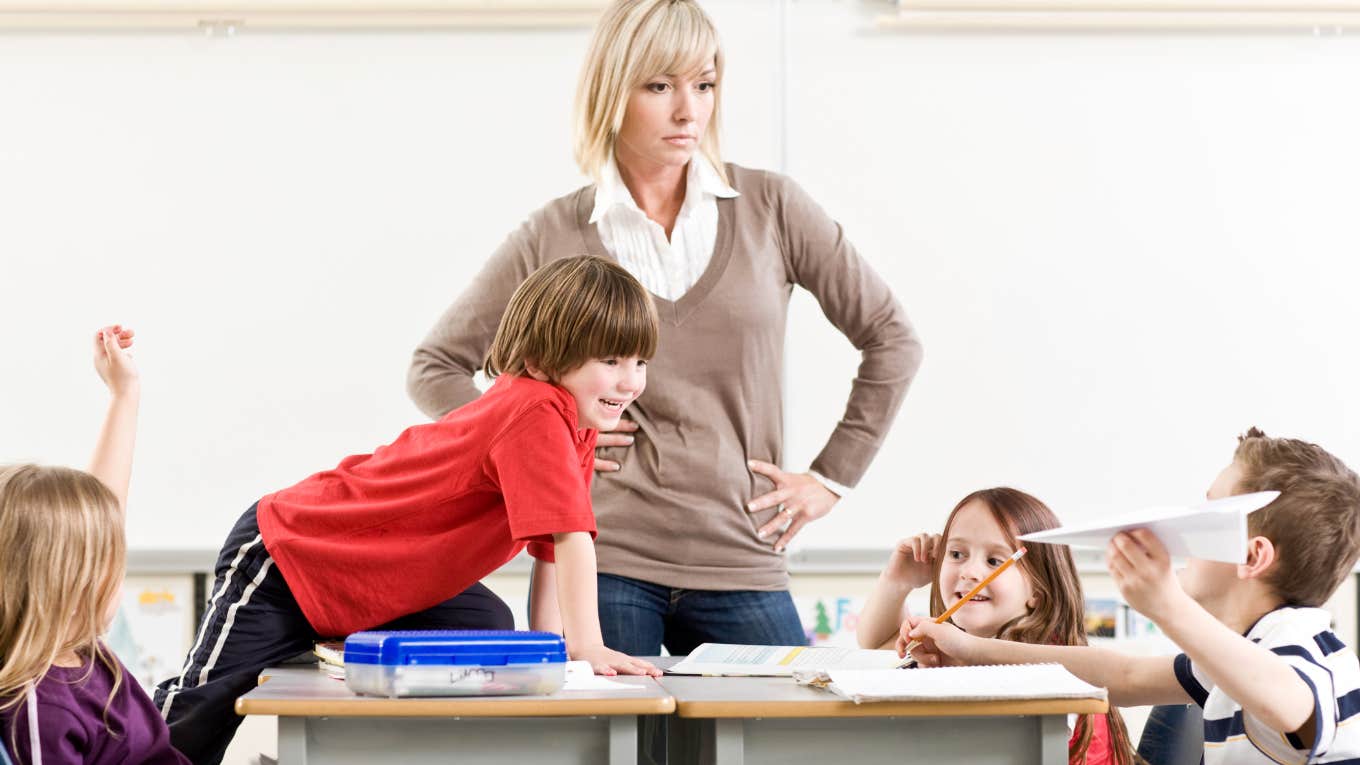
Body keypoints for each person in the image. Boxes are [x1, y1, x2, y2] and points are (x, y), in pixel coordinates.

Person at [407, 0, 923, 656]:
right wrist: (543, 447)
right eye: (660, 86)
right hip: (608, 560)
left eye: (703, 85)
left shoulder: (774, 208)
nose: (690, 111)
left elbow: (893, 338)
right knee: (618, 754)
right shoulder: (554, 233)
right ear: (611, 90)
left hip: (742, 556)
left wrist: (829, 479)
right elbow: (436, 366)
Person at [155, 257, 662, 765]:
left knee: (485, 623)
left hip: (369, 576)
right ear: (543, 358)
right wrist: (588, 647)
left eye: (639, 362)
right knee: (202, 713)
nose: (630, 382)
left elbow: (552, 547)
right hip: (293, 554)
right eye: (612, 361)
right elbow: (574, 539)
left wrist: (559, 652)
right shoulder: (535, 411)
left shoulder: (578, 423)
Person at [905, 430, 1360, 765]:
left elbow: (1289, 699)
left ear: (1250, 556)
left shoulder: (1307, 655)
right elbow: (1122, 675)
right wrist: (968, 648)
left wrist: (1168, 607)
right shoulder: (1240, 656)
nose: (1184, 523)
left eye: (1207, 510)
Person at [0, 326, 190, 764]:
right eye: (110, 564)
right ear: (70, 586)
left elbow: (104, 512)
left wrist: (124, 395)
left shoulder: (80, 651)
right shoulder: (40, 710)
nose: (119, 577)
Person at [857, 488, 1141, 765]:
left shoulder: (1039, 667)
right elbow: (881, 642)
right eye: (956, 554)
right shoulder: (965, 645)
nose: (969, 572)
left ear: (1037, 593)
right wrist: (897, 581)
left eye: (994, 561)